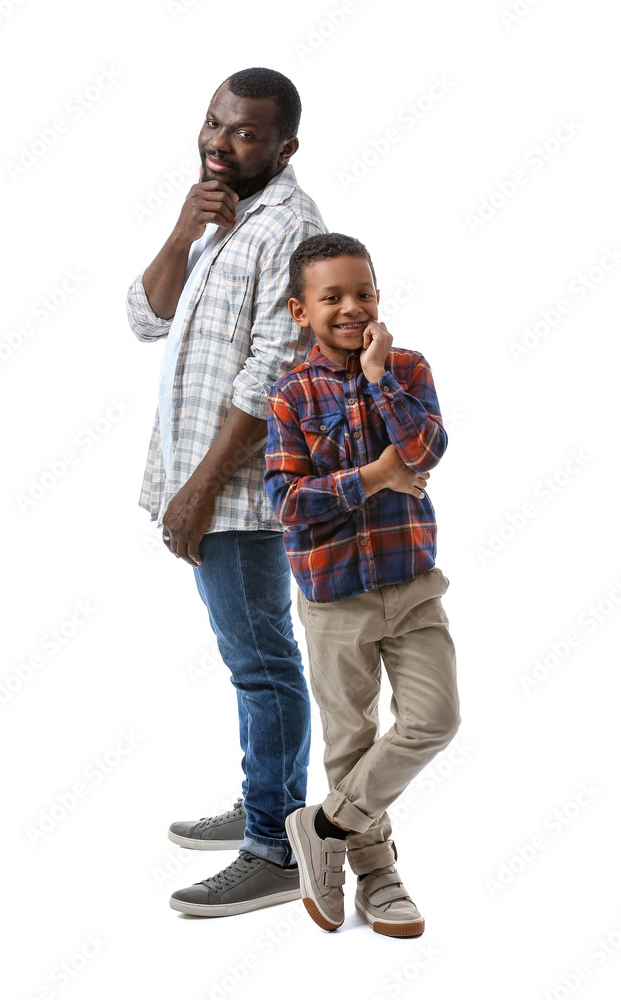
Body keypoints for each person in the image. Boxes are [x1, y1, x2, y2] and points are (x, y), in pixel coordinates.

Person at [126, 68, 325, 916]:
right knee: (254, 658)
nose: (218, 141)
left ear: (283, 148)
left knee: (263, 666)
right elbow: (145, 317)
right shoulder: (218, 215)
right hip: (198, 477)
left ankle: (275, 848)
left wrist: (200, 488)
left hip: (239, 490)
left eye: (243, 133)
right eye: (213, 123)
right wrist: (180, 232)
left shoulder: (289, 227)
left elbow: (274, 367)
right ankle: (264, 801)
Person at [263, 233, 461, 936]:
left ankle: (322, 825)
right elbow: (286, 503)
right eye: (332, 297)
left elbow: (426, 449)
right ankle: (376, 874)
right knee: (351, 740)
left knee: (433, 720)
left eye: (363, 293)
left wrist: (379, 379)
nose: (351, 308)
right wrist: (375, 477)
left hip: (411, 583)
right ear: (298, 309)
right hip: (334, 595)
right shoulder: (288, 394)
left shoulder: (406, 368)